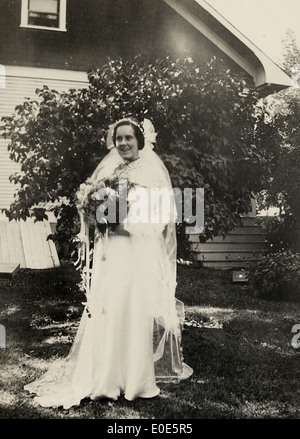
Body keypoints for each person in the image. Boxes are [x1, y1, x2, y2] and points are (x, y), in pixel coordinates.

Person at [24, 117, 193, 409]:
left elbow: (158, 221)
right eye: (119, 139)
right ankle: (105, 376)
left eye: (129, 138)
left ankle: (136, 380)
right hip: (110, 253)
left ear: (140, 140)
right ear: (113, 143)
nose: (124, 143)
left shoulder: (152, 172)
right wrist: (95, 216)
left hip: (136, 252)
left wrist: (121, 227)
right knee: (108, 309)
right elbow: (98, 211)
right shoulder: (111, 171)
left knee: (133, 310)